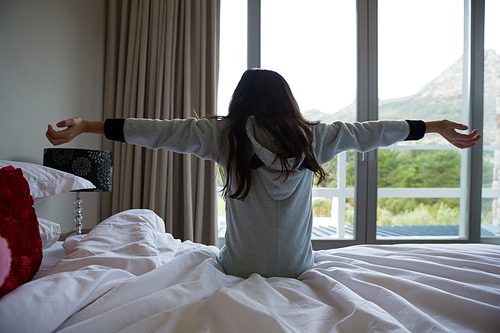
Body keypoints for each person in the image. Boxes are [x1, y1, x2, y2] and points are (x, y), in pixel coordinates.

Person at [46, 69, 481, 279]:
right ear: (285, 99)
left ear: (241, 99)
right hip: (297, 266)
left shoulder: (222, 135)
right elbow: (375, 133)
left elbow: (157, 133)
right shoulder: (315, 137)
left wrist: (88, 126)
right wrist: (435, 127)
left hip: (238, 266)